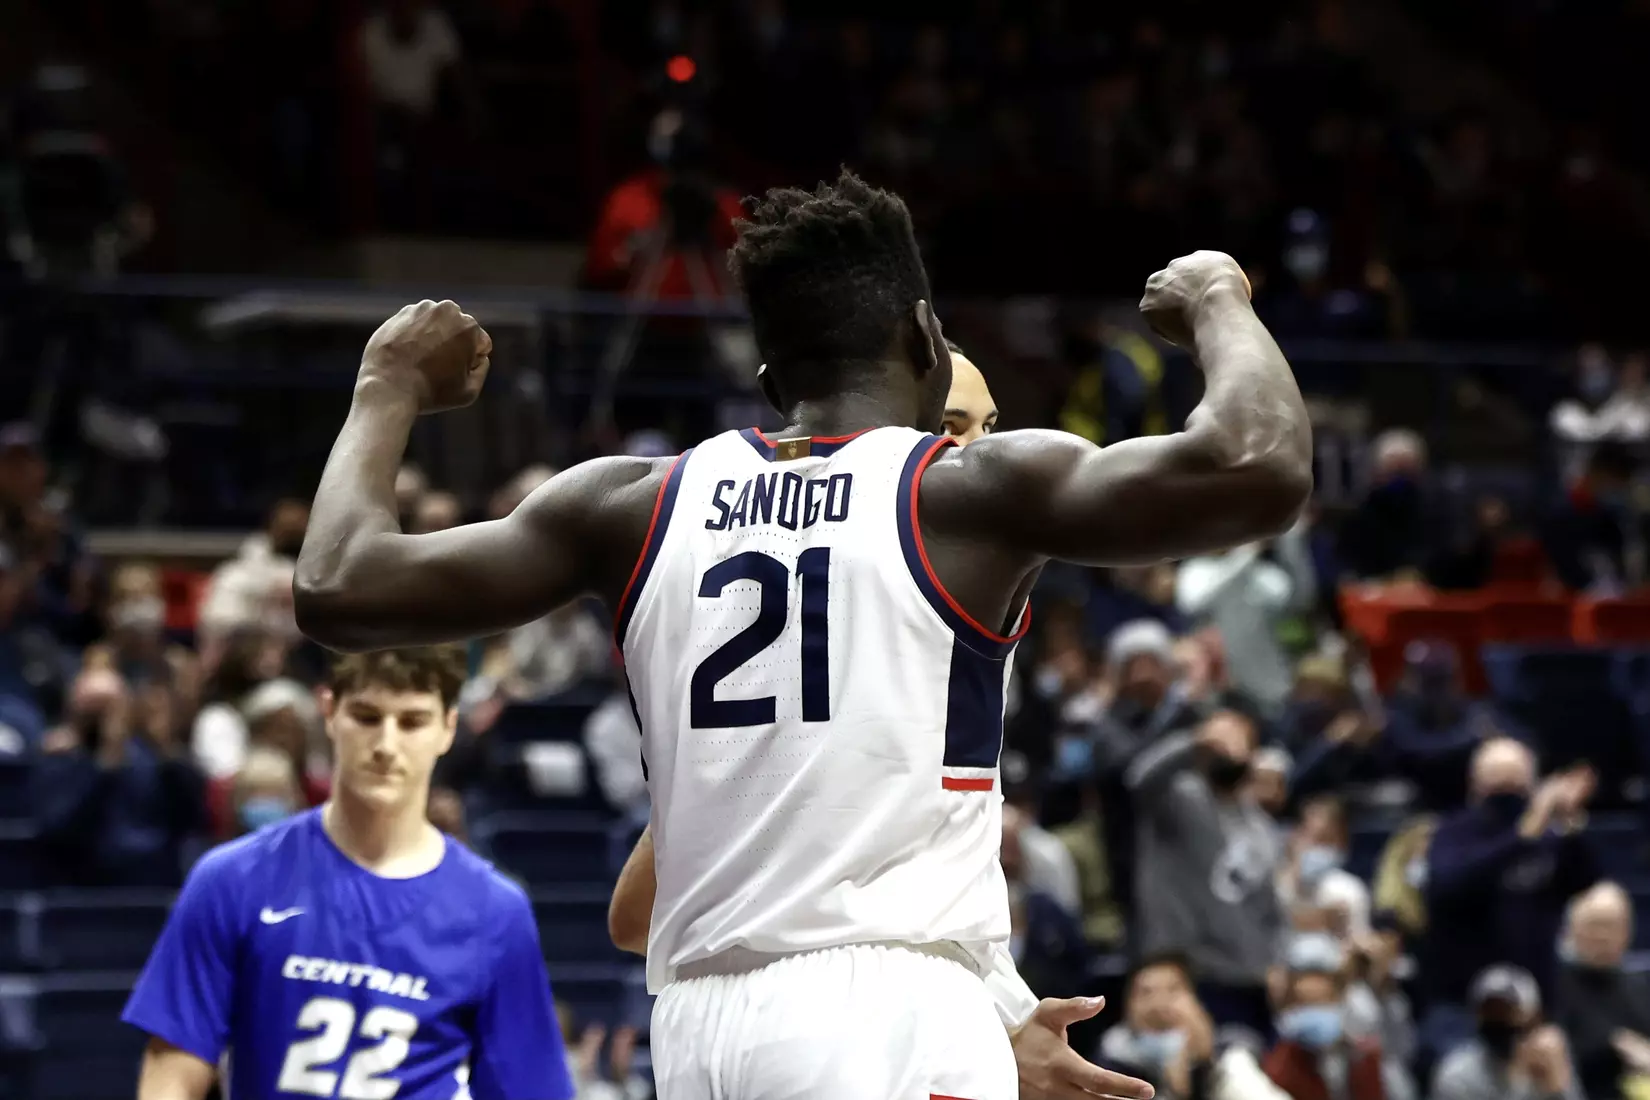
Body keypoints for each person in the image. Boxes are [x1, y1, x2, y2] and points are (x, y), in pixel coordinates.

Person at [294, 169, 1312, 1099]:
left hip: (700, 1023)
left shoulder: (629, 501)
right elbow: (1259, 463)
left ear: (771, 373)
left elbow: (339, 580)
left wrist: (389, 381)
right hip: (884, 1016)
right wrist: (1221, 297)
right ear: (924, 336)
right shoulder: (959, 491)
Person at [600, 345, 1140, 1100]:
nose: (978, 454)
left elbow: (635, 917)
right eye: (952, 429)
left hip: (711, 1026)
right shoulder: (908, 603)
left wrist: (1004, 1013)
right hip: (863, 1021)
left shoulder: (762, 578)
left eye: (989, 427)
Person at [122, 647, 572, 1100]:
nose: (386, 745)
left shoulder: (495, 912)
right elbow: (170, 1078)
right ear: (329, 711)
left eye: (412, 721)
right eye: (367, 716)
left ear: (448, 728)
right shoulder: (232, 880)